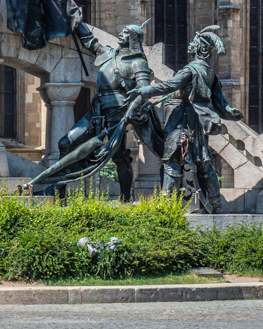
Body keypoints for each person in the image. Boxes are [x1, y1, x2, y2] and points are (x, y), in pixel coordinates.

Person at [127, 26, 244, 214]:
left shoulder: (191, 70)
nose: (190, 45)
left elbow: (169, 85)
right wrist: (230, 111)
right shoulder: (209, 72)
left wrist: (145, 90)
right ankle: (216, 204)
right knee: (203, 162)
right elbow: (219, 100)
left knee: (171, 160)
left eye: (194, 43)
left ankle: (165, 206)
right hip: (194, 121)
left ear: (200, 49)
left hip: (180, 121)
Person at [56, 22, 163, 202]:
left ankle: (125, 198)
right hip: (97, 112)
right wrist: (76, 21)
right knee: (65, 143)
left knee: (119, 156)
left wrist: (130, 109)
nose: (121, 34)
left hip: (117, 113)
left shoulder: (138, 63)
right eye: (122, 31)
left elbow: (144, 91)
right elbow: (89, 41)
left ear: (134, 39)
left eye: (126, 33)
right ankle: (59, 195)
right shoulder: (108, 54)